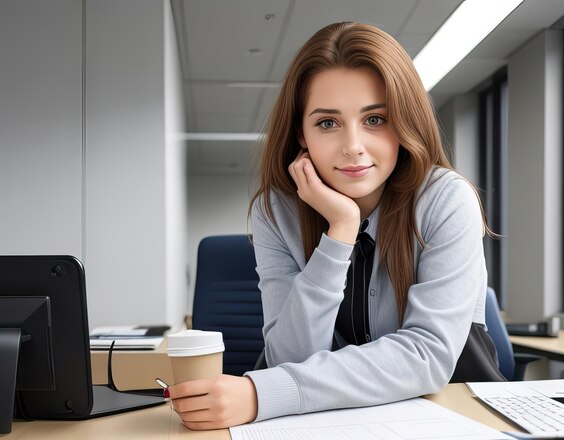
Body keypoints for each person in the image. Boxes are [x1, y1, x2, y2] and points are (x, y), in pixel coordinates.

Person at [168, 21, 501, 430]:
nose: (353, 146)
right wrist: (340, 229)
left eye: (375, 119)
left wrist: (264, 393)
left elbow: (427, 357)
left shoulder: (445, 200)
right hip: (333, 423)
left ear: (405, 122)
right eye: (328, 123)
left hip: (450, 416)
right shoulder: (277, 211)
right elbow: (290, 358)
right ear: (301, 135)